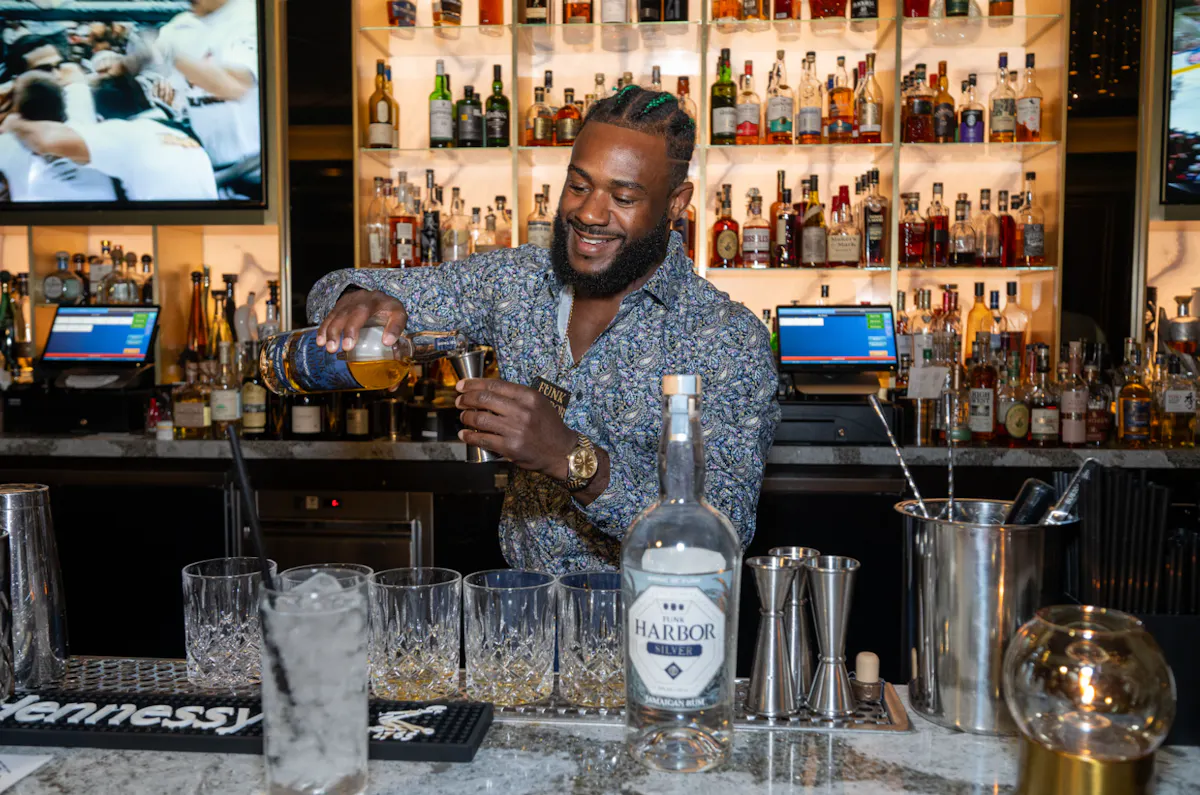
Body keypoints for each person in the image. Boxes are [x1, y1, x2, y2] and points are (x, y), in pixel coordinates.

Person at [309, 86, 780, 574]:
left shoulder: (726, 339)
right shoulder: (519, 282)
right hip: (524, 616)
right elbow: (335, 287)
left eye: (622, 197)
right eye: (578, 186)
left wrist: (571, 457)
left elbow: (723, 531)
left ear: (675, 203)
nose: (590, 214)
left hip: (651, 631)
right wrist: (355, 298)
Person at [1, 70, 217, 201]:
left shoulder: (118, 136)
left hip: (161, 233)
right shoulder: (172, 129)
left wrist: (13, 122)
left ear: (101, 121)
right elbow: (76, 84)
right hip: (212, 228)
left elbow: (46, 141)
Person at [155, 0, 261, 200]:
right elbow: (173, 94)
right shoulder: (176, 28)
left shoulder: (251, 13)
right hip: (211, 165)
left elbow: (234, 87)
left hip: (258, 166)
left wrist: (173, 56)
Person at [0, 72, 117, 202]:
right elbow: (73, 74)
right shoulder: (82, 123)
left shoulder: (6, 145)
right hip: (106, 218)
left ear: (17, 112)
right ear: (64, 104)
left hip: (39, 220)